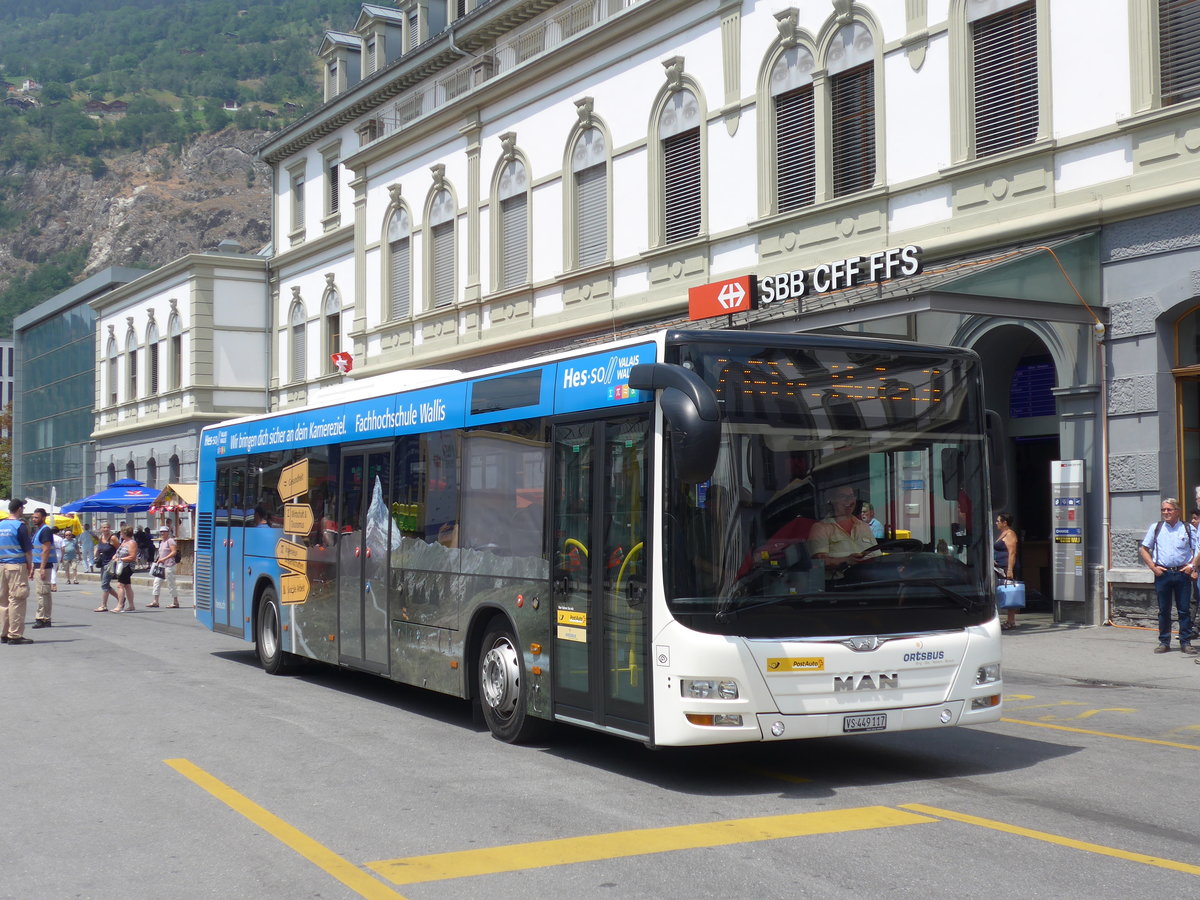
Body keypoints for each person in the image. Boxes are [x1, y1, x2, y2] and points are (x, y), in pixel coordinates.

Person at [1138, 497, 1199, 654]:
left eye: (1169, 509)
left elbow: (1197, 549)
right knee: (1163, 610)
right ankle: (1164, 642)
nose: (1165, 512)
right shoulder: (1156, 528)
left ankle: (1185, 642)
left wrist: (1192, 566)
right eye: (1163, 510)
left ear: (1177, 511)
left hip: (1182, 574)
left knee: (1184, 610)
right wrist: (1153, 567)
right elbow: (1143, 549)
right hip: (1163, 574)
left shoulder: (1187, 528)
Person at [808, 486, 878, 576]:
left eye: (851, 496)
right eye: (842, 496)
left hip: (869, 583)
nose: (849, 500)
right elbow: (819, 562)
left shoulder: (864, 526)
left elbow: (876, 557)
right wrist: (846, 560)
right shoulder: (820, 528)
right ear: (832, 500)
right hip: (839, 586)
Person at [0, 499, 34, 644]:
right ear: (19, 509)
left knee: (3, 600)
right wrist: (30, 566)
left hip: (1, 566)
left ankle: (3, 632)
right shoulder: (20, 526)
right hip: (16, 566)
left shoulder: (0, 525)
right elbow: (27, 550)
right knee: (17, 599)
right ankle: (15, 634)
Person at [30, 508, 57, 628]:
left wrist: (41, 568)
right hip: (38, 565)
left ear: (43, 517)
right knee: (43, 592)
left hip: (44, 566)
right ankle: (45, 618)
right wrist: (32, 567)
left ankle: (41, 618)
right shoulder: (39, 530)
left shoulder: (45, 530)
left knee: (42, 592)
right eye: (33, 517)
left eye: (36, 517)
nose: (34, 519)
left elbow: (46, 550)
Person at [994, 513, 1019, 631]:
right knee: (1004, 591)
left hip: (1006, 567)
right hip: (999, 567)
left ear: (1005, 523)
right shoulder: (1002, 534)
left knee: (1009, 591)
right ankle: (1009, 620)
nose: (996, 523)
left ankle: (1011, 621)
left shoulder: (1010, 534)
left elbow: (1012, 553)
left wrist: (1010, 569)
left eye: (998, 521)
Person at [147, 526, 180, 608]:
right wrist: (158, 559)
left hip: (169, 565)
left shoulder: (170, 541)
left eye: (164, 531)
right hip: (161, 566)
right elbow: (160, 553)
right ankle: (155, 601)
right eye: (161, 532)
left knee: (171, 584)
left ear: (168, 532)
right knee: (156, 582)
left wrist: (164, 559)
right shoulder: (161, 542)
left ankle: (175, 602)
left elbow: (174, 552)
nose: (162, 533)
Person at [112, 525, 139, 612]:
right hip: (121, 565)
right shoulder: (124, 542)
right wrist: (115, 556)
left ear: (125, 533)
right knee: (127, 585)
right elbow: (119, 552)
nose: (120, 533)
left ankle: (120, 605)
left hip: (127, 566)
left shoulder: (132, 543)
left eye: (122, 532)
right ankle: (131, 605)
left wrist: (120, 559)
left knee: (120, 585)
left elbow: (132, 557)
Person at [93, 523, 120, 612]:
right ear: (101, 529)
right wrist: (96, 553)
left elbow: (119, 549)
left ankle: (103, 605)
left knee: (104, 584)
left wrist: (116, 557)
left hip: (110, 564)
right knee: (105, 584)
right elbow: (98, 547)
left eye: (108, 527)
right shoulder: (101, 537)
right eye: (104, 527)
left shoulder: (113, 538)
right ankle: (121, 599)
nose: (106, 529)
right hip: (102, 563)